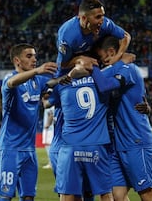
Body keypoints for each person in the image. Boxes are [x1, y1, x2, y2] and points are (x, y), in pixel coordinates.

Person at [71, 36, 152, 201]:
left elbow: (105, 85)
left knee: (145, 191)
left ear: (111, 52)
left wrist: (93, 67)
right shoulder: (114, 70)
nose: (100, 62)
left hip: (136, 141)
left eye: (102, 58)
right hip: (117, 145)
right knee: (118, 195)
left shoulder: (128, 69)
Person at [0, 43, 58, 201]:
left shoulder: (37, 81)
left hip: (29, 150)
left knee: (29, 197)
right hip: (10, 148)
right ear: (17, 60)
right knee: (5, 196)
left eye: (35, 56)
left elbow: (56, 82)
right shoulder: (9, 79)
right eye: (29, 56)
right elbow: (12, 83)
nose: (34, 59)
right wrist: (37, 70)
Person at [44, 62, 113, 201]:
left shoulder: (63, 84)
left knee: (69, 192)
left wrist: (66, 77)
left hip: (66, 145)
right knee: (94, 192)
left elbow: (46, 100)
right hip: (95, 144)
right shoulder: (101, 80)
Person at [56, 0, 131, 74]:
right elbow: (62, 64)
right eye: (98, 17)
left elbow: (125, 36)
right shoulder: (68, 37)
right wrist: (80, 59)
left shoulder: (105, 24)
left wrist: (117, 57)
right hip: (71, 71)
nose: (102, 21)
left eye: (103, 16)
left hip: (94, 63)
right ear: (84, 18)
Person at [42, 105, 55, 169]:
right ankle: (51, 162)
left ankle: (51, 163)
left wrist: (47, 125)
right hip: (51, 129)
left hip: (49, 129)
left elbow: (51, 115)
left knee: (48, 146)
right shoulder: (52, 106)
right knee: (49, 146)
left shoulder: (49, 106)